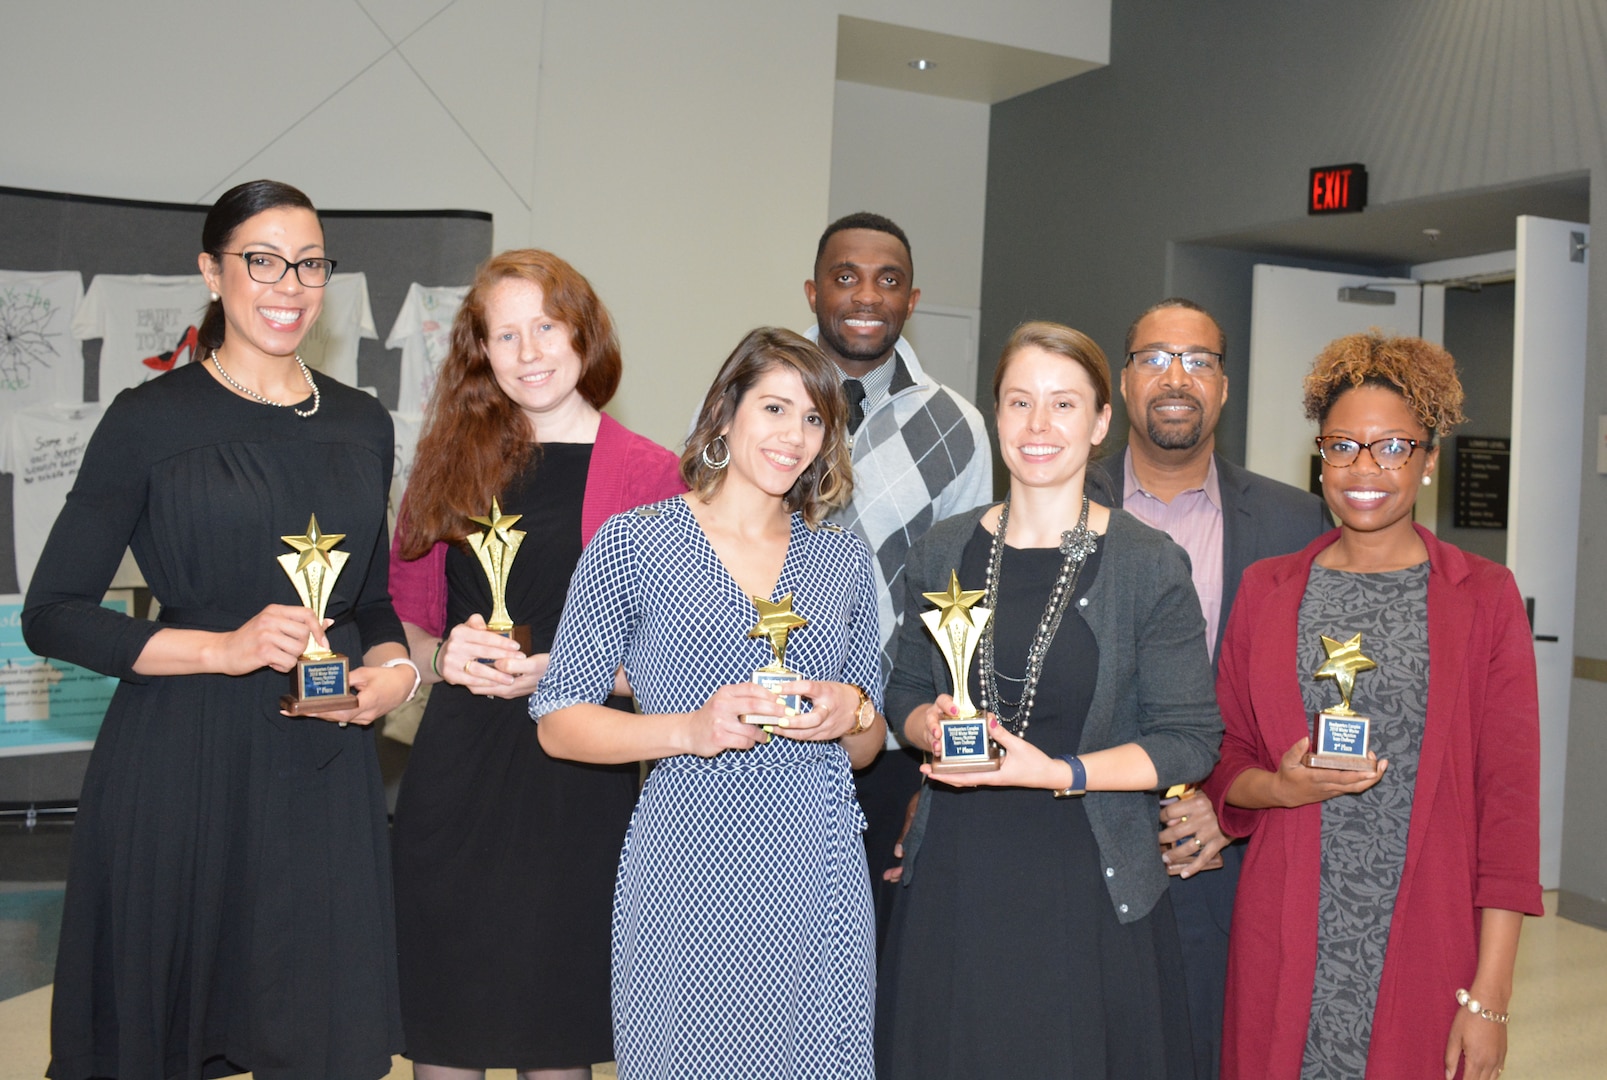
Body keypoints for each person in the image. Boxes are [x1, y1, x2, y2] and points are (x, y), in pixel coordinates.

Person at [24, 179, 418, 1080]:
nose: (289, 284)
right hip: (184, 767)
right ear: (212, 271)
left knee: (323, 1038)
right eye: (263, 260)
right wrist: (225, 649)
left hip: (324, 774)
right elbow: (53, 613)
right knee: (165, 1037)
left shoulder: (361, 422)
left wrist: (394, 675)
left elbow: (368, 601)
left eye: (310, 263)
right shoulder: (149, 420)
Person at [534, 327, 887, 1079]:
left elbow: (868, 740)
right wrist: (691, 729)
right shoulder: (635, 543)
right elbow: (561, 721)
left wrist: (845, 713)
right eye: (774, 408)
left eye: (815, 418)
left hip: (816, 863)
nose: (794, 436)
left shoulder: (842, 559)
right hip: (688, 861)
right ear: (726, 413)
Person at [877, 321, 1221, 1079]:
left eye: (1063, 405)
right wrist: (923, 720)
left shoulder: (1146, 563)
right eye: (1018, 402)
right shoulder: (943, 547)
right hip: (958, 882)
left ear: (1100, 422)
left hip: (1087, 891)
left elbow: (1189, 739)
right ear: (995, 414)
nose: (1038, 426)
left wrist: (1058, 771)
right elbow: (902, 686)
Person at [1204, 332, 1541, 1080]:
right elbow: (1223, 761)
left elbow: (1508, 809)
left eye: (1392, 446)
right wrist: (1280, 787)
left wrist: (1488, 998)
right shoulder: (1267, 590)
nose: (1364, 468)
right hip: (1283, 931)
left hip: (1423, 937)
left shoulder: (1482, 598)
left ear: (1427, 460)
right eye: (1343, 445)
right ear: (1318, 455)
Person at [387, 250, 682, 1079]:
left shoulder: (651, 474)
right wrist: (444, 656)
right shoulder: (446, 463)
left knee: (556, 1033)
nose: (528, 352)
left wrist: (568, 674)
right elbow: (401, 624)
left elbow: (673, 657)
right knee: (445, 1024)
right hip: (456, 771)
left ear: (582, 333)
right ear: (481, 352)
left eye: (544, 327)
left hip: (577, 779)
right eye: (504, 335)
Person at [1091, 298, 1330, 1078]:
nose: (1175, 377)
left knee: (1208, 1052)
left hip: (1221, 856)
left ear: (1223, 388)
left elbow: (1305, 693)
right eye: (1154, 357)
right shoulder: (1051, 501)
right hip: (1081, 843)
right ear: (1122, 383)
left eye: (1198, 361)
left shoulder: (1297, 522)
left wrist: (1229, 807)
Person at [803, 211, 992, 934]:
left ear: (911, 301)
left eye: (888, 281)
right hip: (761, 723)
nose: (865, 296)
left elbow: (964, 598)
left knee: (876, 951)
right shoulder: (761, 404)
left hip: (886, 740)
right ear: (813, 291)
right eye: (845, 276)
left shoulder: (958, 425)